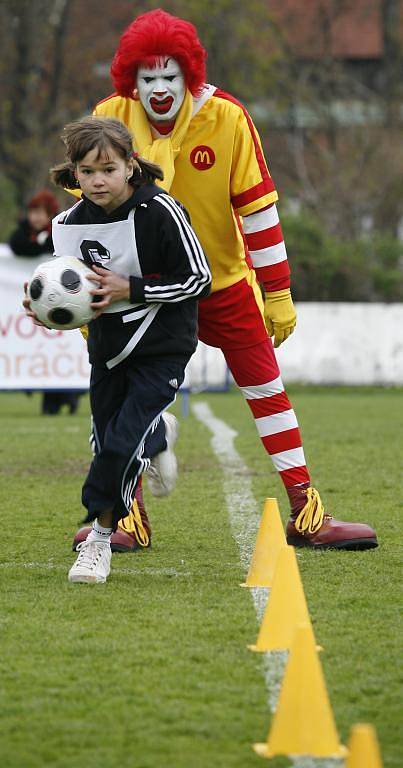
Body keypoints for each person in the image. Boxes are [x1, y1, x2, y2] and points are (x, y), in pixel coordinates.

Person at [74, 9, 377, 551]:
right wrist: (83, 293)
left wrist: (278, 291)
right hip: (138, 287)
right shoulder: (109, 117)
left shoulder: (229, 117)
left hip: (222, 279)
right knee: (119, 398)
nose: (160, 89)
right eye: (148, 78)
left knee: (266, 389)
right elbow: (86, 214)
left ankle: (307, 511)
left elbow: (259, 212)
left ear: (189, 75)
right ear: (130, 80)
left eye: (171, 77)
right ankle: (128, 518)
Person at [23, 115, 211, 583]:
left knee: (116, 450)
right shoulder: (66, 225)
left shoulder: (161, 210)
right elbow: (72, 296)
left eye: (108, 168)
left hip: (164, 346)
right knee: (110, 441)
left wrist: (133, 287)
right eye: (87, 171)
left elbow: (199, 280)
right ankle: (158, 434)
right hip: (108, 351)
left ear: (130, 165)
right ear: (75, 173)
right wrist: (47, 310)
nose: (98, 180)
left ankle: (98, 540)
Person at [10, 189, 81, 416]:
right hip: (41, 302)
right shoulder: (25, 232)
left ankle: (70, 395)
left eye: (40, 212)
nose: (35, 218)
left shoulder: (61, 228)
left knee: (62, 346)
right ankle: (54, 399)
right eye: (33, 212)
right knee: (44, 348)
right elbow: (18, 245)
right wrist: (39, 243)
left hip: (63, 300)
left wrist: (42, 242)